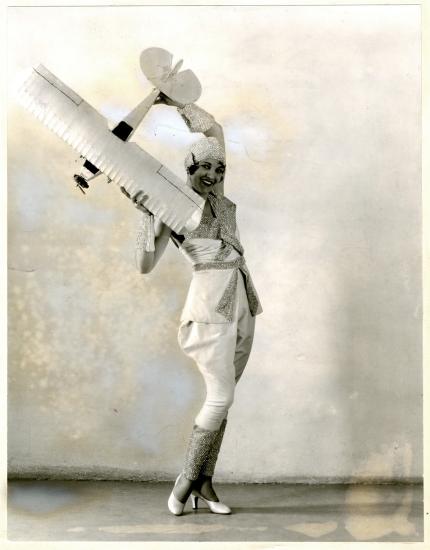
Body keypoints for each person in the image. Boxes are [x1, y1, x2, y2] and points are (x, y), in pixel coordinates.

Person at [130, 96, 262, 515]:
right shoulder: (174, 207)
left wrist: (174, 102)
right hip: (208, 310)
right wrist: (145, 218)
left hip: (243, 303)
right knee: (220, 398)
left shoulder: (219, 198)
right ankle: (184, 484)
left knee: (227, 398)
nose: (213, 174)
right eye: (204, 167)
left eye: (219, 168)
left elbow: (216, 133)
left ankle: (206, 484)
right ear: (188, 168)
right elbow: (145, 265)